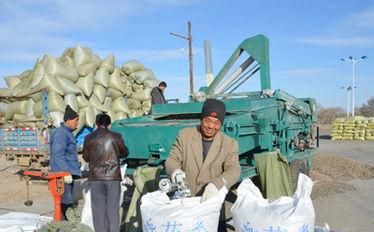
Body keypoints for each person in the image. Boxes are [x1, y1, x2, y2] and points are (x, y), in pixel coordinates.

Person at [165, 98, 241, 231]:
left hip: (213, 207)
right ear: (201, 119)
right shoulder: (185, 136)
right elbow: (172, 159)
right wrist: (175, 171)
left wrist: (216, 184)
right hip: (188, 205)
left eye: (217, 123)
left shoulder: (229, 143)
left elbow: (234, 170)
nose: (211, 126)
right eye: (208, 121)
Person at [83, 113, 128, 232]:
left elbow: (86, 157)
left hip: (96, 178)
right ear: (109, 124)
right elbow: (124, 152)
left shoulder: (89, 138)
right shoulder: (116, 136)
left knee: (98, 212)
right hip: (113, 177)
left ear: (96, 123)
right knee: (113, 211)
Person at [50, 105, 81, 220]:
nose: (77, 123)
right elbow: (58, 155)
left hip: (65, 174)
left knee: (66, 202)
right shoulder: (61, 134)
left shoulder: (67, 132)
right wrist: (65, 172)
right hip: (61, 176)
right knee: (64, 203)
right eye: (76, 120)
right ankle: (62, 225)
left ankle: (64, 224)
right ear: (68, 120)